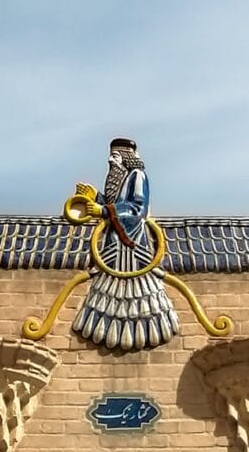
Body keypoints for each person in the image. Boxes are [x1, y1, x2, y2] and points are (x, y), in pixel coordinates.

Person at [72, 138, 179, 350]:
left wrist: (103, 210)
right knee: (106, 290)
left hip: (133, 244)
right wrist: (96, 198)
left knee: (140, 292)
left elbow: (136, 209)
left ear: (125, 157)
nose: (111, 161)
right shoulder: (122, 178)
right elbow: (115, 206)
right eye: (111, 157)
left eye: (115, 156)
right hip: (114, 246)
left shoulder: (137, 176)